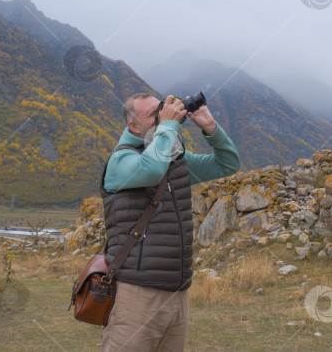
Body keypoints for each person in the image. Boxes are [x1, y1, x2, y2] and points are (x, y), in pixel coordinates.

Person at [99, 93, 241, 351]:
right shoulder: (121, 160)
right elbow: (152, 169)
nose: (164, 116)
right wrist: (168, 125)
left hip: (177, 293)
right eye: (154, 114)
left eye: (162, 109)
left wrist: (209, 125)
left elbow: (227, 164)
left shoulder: (175, 161)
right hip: (136, 293)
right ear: (133, 127)